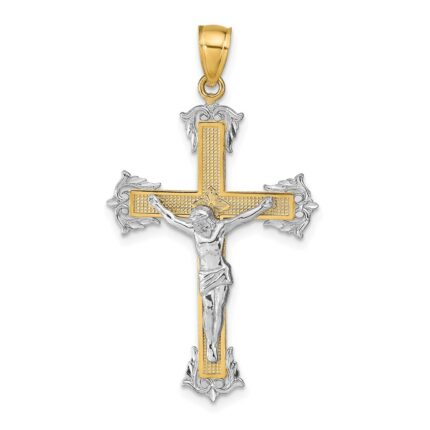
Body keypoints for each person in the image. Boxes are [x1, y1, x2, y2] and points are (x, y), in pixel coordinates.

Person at [148, 194, 273, 362]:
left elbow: (241, 218)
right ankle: (209, 343)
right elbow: (172, 219)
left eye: (199, 222)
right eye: (195, 223)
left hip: (220, 271)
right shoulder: (193, 230)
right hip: (206, 274)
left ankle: (214, 343)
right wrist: (157, 205)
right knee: (208, 307)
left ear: (207, 219)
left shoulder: (220, 228)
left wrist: (262, 207)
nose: (197, 225)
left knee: (218, 307)